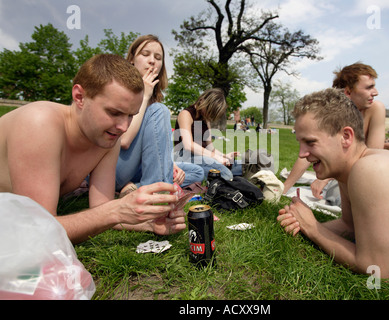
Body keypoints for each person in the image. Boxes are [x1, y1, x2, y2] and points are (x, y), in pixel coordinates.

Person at [0, 54, 186, 244]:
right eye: (114, 112)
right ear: (79, 97)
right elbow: (36, 230)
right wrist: (116, 210)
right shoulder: (39, 123)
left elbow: (101, 209)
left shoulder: (106, 139)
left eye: (131, 116)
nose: (124, 127)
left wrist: (150, 224)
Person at [277, 88, 389, 285]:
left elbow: (376, 267)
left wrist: (314, 228)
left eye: (310, 142)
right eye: (300, 143)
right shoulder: (349, 170)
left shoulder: (371, 169)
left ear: (346, 136)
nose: (301, 154)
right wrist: (300, 223)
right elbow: (350, 226)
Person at [283, 62, 389, 201]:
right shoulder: (330, 113)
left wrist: (325, 180)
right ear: (348, 92)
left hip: (369, 171)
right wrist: (284, 188)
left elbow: (372, 161)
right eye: (369, 87)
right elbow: (309, 149)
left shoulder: (375, 109)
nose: (375, 93)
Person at [115, 35, 204, 197]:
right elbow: (124, 141)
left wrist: (169, 164)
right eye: (145, 54)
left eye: (158, 58)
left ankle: (136, 187)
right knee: (160, 110)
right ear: (131, 60)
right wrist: (144, 96)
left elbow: (155, 145)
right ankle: (154, 191)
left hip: (138, 169)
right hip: (114, 166)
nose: (152, 61)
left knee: (196, 171)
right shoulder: (119, 90)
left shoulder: (153, 100)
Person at [174, 88, 241, 181]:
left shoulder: (206, 119)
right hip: (186, 156)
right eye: (209, 111)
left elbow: (210, 148)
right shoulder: (186, 114)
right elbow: (188, 145)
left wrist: (224, 156)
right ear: (202, 101)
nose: (209, 115)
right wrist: (215, 157)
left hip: (203, 157)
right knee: (226, 174)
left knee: (238, 165)